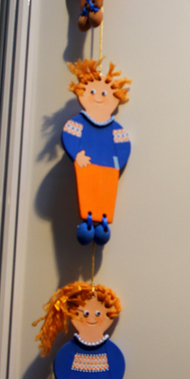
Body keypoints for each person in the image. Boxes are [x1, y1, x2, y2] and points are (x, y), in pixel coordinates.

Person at [62, 58, 131, 245]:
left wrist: (116, 163)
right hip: (85, 167)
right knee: (88, 198)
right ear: (82, 93)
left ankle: (103, 220)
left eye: (104, 93)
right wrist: (76, 155)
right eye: (92, 92)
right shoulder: (78, 123)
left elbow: (124, 146)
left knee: (105, 200)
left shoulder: (116, 129)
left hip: (109, 169)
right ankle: (90, 219)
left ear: (115, 97)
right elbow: (69, 135)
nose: (98, 97)